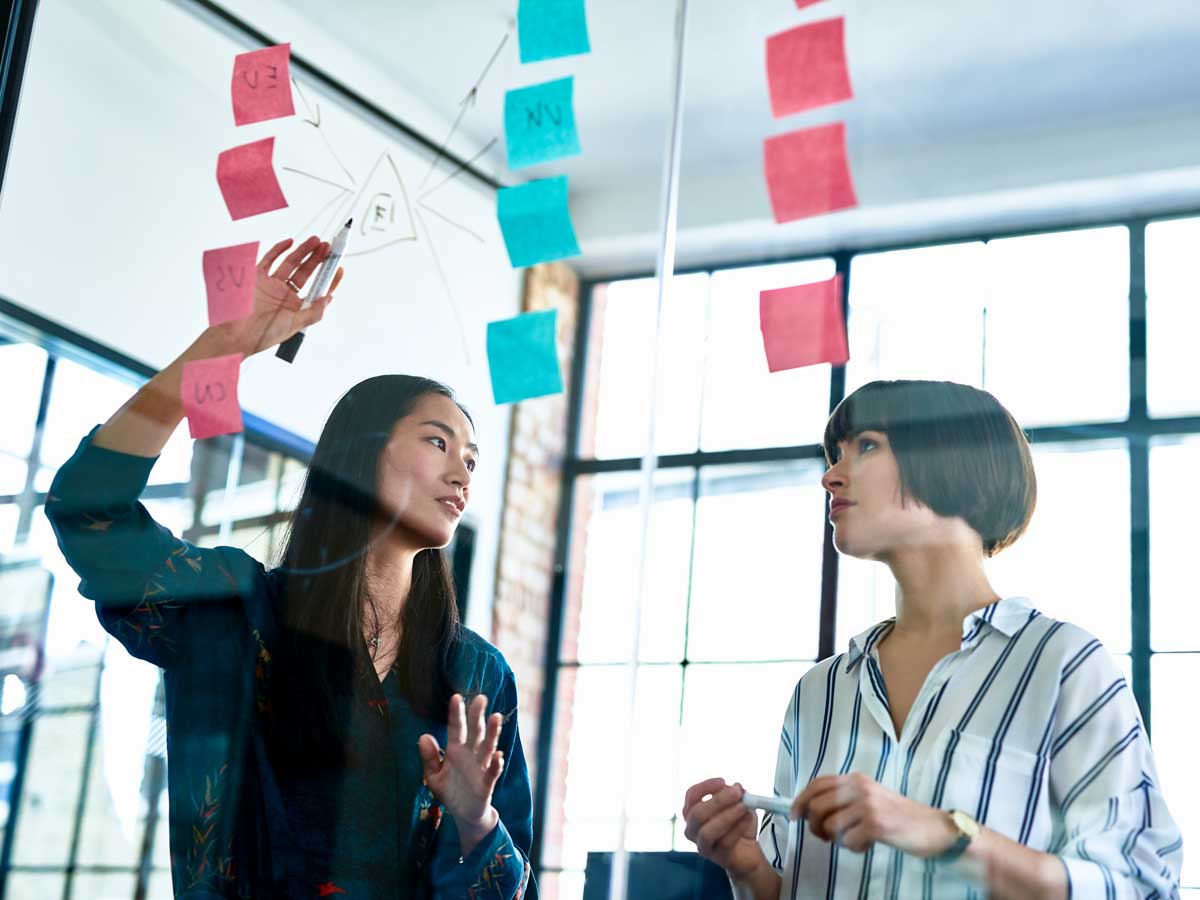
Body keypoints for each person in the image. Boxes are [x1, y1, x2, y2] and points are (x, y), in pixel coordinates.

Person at [45, 235, 535, 899]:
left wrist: (477, 820)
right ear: (360, 454)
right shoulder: (236, 612)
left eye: (472, 459)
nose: (461, 473)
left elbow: (514, 886)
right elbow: (89, 511)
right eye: (438, 441)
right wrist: (217, 348)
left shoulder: (477, 676)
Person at [682, 380, 1182, 899]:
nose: (830, 476)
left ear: (953, 459)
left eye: (867, 445)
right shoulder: (819, 691)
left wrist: (945, 832)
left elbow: (1137, 884)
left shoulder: (1063, 665)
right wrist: (748, 869)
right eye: (836, 455)